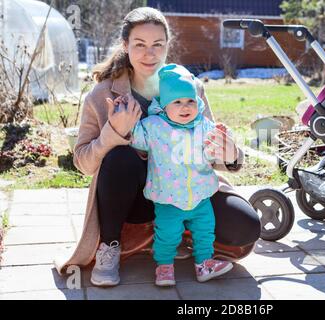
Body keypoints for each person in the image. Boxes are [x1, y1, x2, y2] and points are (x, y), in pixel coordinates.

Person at [53, 7, 261, 288]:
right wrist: (114, 132)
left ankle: (180, 234)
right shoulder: (102, 94)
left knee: (245, 225)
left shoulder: (189, 87)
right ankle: (110, 245)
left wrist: (232, 155)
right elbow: (84, 163)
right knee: (120, 158)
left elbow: (208, 142)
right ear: (125, 46)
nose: (149, 54)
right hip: (134, 198)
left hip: (188, 189)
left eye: (157, 45)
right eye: (139, 44)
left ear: (167, 46)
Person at [126, 63, 233, 286]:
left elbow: (215, 148)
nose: (185, 107)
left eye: (190, 101)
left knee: (205, 231)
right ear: (164, 106)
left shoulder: (203, 125)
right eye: (177, 102)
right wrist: (128, 121)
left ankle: (204, 264)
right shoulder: (153, 126)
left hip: (200, 194)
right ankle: (164, 267)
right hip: (169, 197)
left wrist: (222, 136)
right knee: (167, 234)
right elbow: (137, 141)